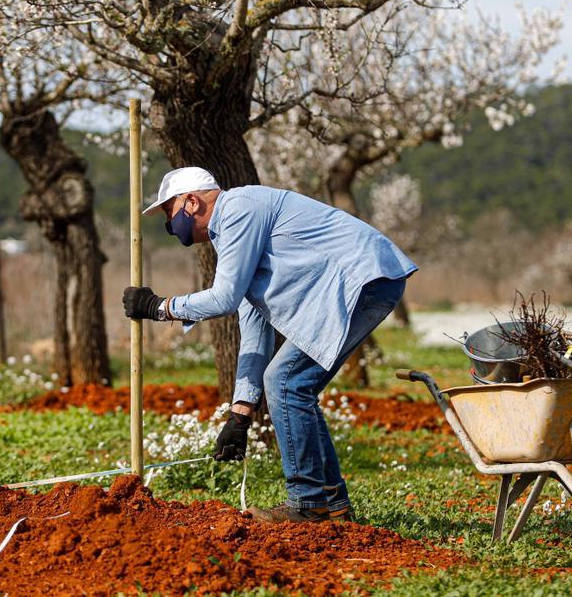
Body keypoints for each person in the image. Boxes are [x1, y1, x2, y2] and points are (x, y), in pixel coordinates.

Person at [123, 167, 417, 524]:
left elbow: (225, 298)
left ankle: (308, 505)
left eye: (170, 218)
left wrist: (161, 308)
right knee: (295, 385)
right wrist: (240, 414)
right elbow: (253, 326)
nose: (172, 230)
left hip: (363, 278)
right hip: (366, 281)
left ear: (191, 201)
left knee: (286, 381)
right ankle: (333, 505)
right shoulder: (235, 232)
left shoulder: (238, 210)